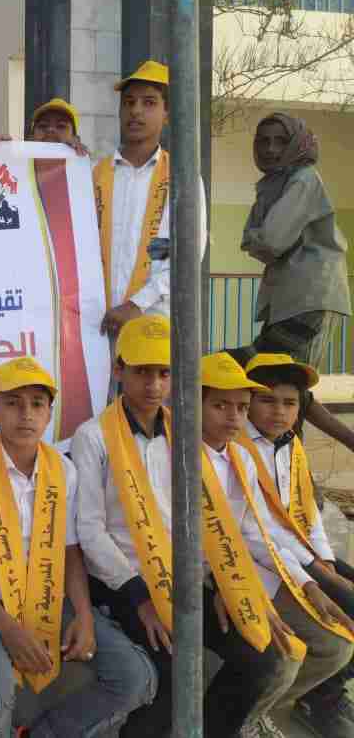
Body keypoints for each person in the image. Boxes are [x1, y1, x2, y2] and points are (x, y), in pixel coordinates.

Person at [73, 316, 305, 738]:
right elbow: (91, 531)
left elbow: (206, 516)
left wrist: (219, 582)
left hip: (184, 578)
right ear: (119, 370)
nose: (154, 385)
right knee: (176, 672)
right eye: (142, 371)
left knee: (263, 660)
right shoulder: (93, 437)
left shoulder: (184, 431)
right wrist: (139, 597)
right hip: (124, 582)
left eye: (164, 373)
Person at [0, 357, 156, 737]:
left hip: (50, 599)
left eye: (37, 404)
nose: (26, 415)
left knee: (136, 677)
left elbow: (70, 551)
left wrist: (83, 616)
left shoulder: (62, 470)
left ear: (50, 413)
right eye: (13, 403)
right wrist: (9, 629)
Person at [201, 351, 354, 736]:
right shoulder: (229, 449)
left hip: (281, 556)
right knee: (279, 657)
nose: (279, 412)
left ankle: (307, 700)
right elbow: (248, 533)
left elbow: (301, 516)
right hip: (232, 569)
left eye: (290, 403)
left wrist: (320, 566)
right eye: (267, 401)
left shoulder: (275, 448)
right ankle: (234, 720)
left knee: (338, 634)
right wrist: (229, 585)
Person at [229, 112, 354, 455]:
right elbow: (257, 240)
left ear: (297, 143)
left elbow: (269, 241)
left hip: (310, 296)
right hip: (291, 298)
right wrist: (260, 239)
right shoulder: (273, 184)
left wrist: (259, 238)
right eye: (263, 141)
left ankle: (291, 473)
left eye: (280, 141)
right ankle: (293, 467)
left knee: (276, 382)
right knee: (284, 383)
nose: (270, 149)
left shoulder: (303, 179)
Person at [93, 61, 206, 338]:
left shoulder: (181, 178)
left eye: (149, 102)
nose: (136, 111)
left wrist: (136, 305)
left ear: (167, 113)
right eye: (128, 102)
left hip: (152, 324)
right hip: (95, 325)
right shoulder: (95, 174)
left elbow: (185, 254)